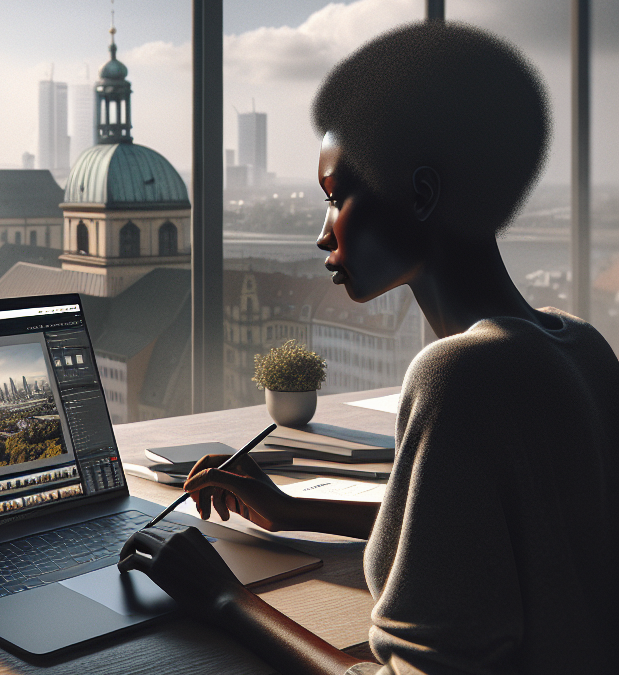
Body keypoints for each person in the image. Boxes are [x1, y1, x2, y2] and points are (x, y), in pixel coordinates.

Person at [118, 21, 619, 675]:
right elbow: (484, 532)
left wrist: (225, 598)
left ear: (421, 194)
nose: (324, 235)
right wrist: (293, 509)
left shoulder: (458, 374)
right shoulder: (581, 345)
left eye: (335, 199)